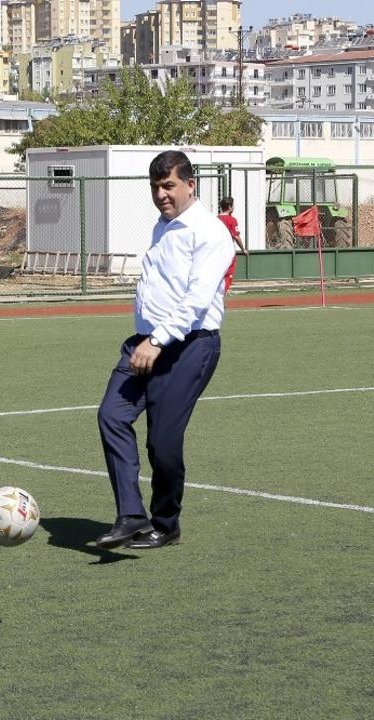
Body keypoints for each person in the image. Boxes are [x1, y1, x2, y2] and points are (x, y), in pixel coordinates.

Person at [95, 150, 234, 551]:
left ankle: (166, 523)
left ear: (191, 184)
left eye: (169, 185)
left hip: (189, 346)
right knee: (111, 416)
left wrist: (157, 341)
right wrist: (147, 339)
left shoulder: (209, 231)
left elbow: (195, 300)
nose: (161, 194)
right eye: (155, 187)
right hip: (144, 344)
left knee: (163, 442)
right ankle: (131, 516)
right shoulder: (163, 225)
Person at [217, 197, 248, 293]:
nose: (233, 207)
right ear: (230, 207)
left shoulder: (215, 219)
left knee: (217, 274)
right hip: (228, 251)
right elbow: (236, 236)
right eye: (233, 205)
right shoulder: (231, 220)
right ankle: (219, 296)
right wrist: (243, 249)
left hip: (216, 251)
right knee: (228, 274)